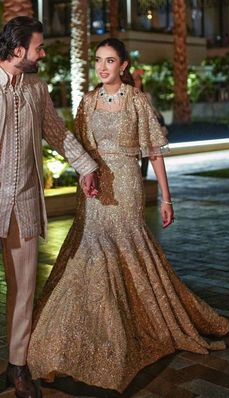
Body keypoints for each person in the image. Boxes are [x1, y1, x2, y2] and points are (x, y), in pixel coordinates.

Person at [27, 38, 229, 393]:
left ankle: (131, 332)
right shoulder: (88, 102)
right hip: (92, 190)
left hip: (125, 187)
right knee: (89, 254)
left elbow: (154, 152)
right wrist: (83, 174)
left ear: (123, 66)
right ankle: (71, 338)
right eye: (98, 61)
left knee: (125, 252)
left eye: (110, 61)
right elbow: (74, 146)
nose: (102, 67)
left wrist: (166, 199)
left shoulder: (137, 100)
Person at [0, 16, 98, 398]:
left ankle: (18, 366)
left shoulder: (37, 88)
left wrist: (86, 166)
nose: (43, 53)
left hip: (22, 204)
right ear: (19, 49)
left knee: (24, 289)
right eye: (39, 47)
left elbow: (57, 132)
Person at [132, 69, 167, 178]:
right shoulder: (126, 95)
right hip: (133, 127)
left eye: (139, 79)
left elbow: (151, 110)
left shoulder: (145, 95)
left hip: (145, 127)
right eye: (135, 79)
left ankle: (143, 176)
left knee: (146, 152)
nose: (137, 82)